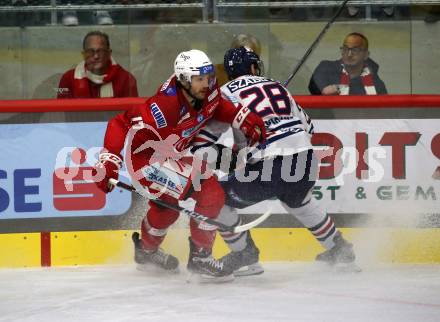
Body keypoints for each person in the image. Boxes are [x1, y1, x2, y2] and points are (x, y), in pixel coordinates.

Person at [93, 49, 266, 282]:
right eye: (199, 79)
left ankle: (146, 251)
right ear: (184, 80)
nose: (207, 84)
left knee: (167, 209)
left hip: (171, 155)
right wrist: (110, 161)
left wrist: (242, 117)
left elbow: (218, 106)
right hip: (146, 161)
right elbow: (120, 122)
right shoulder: (165, 107)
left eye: (208, 77)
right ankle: (201, 259)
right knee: (211, 192)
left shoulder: (208, 90)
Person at [192, 47, 359, 277]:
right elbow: (309, 128)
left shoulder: (224, 94)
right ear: (252, 67)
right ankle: (340, 250)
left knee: (215, 200)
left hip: (271, 165)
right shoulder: (277, 85)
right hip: (306, 160)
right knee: (299, 200)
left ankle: (245, 255)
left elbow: (204, 141)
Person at [57, 31, 138, 99]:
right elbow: (61, 113)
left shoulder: (126, 79)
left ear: (109, 53)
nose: (96, 56)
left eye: (100, 51)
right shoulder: (68, 79)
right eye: (90, 51)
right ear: (84, 54)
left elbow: (132, 114)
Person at [308, 32, 387, 95]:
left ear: (366, 55)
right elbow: (314, 86)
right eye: (345, 49)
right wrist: (322, 90)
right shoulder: (326, 68)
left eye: (355, 50)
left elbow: (385, 111)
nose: (349, 54)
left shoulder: (376, 84)